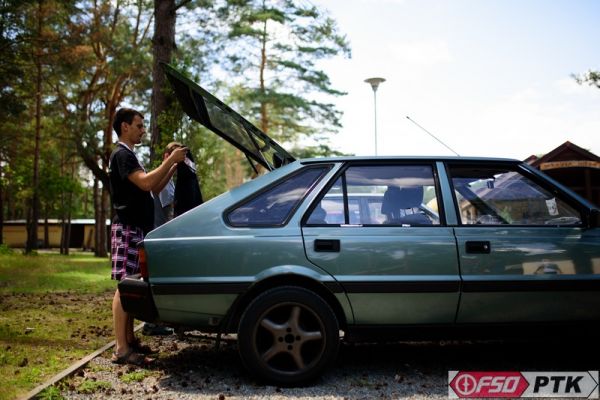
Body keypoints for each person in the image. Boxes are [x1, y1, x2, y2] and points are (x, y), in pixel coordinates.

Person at [108, 108, 187, 365]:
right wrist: (169, 159)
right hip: (127, 227)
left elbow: (153, 187)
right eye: (139, 125)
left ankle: (130, 340)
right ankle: (121, 349)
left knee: (131, 287)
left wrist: (173, 164)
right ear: (125, 127)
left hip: (136, 228)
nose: (143, 129)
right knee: (124, 287)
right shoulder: (121, 155)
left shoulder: (130, 156)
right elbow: (144, 183)